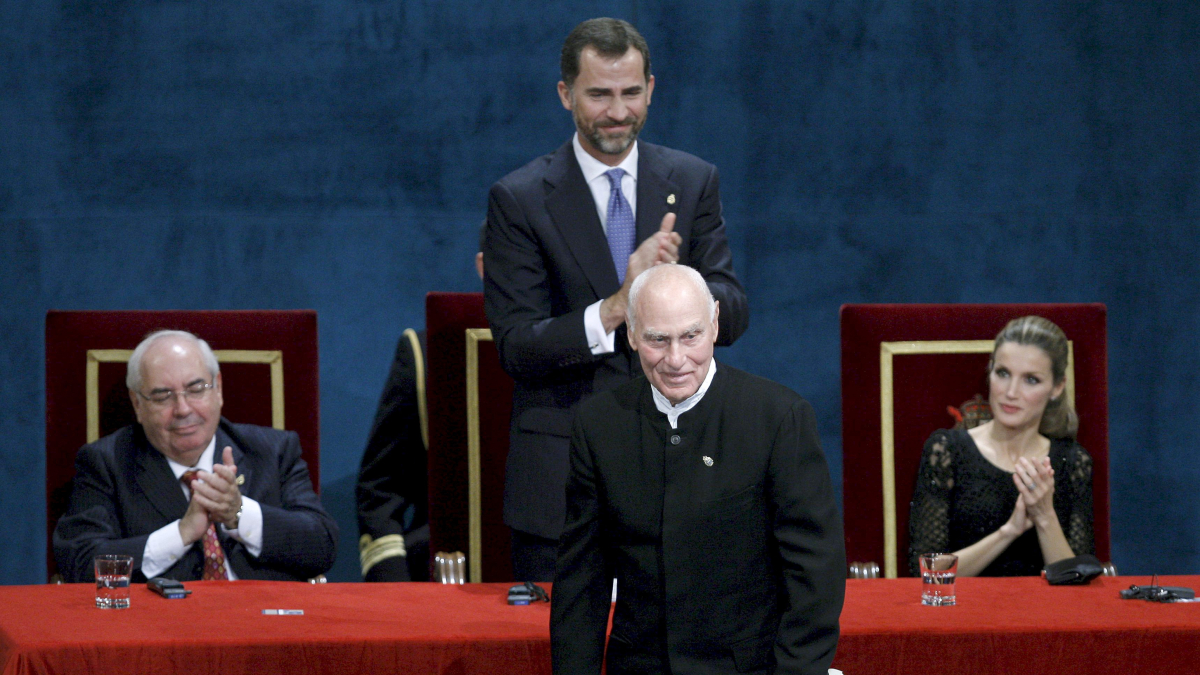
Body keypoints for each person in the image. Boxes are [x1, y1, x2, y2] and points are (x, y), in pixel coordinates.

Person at [483, 17, 749, 581]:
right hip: (563, 487)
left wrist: (678, 292)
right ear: (565, 94)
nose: (618, 111)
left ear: (651, 88)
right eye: (599, 94)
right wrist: (619, 304)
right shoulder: (520, 199)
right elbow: (517, 347)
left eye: (631, 93)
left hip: (683, 474)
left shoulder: (694, 180)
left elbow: (734, 308)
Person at [551, 264, 843, 674]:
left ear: (715, 324)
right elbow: (582, 582)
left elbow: (815, 576)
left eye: (691, 336)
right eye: (657, 340)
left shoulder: (778, 418)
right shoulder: (598, 425)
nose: (676, 359)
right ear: (632, 334)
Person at [53, 330, 338, 582]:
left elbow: (322, 545)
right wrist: (181, 534)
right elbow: (80, 562)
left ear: (219, 390)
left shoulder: (272, 451)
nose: (183, 409)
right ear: (137, 404)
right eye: (163, 396)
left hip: (265, 624)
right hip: (161, 629)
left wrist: (239, 513)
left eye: (196, 389)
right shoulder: (106, 463)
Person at [908, 316, 1095, 577]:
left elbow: (1079, 586)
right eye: (1003, 373)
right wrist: (1008, 532)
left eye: (1031, 379)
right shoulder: (947, 451)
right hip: (963, 613)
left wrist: (1044, 516)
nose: (1010, 392)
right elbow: (925, 574)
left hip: (1045, 615)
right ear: (990, 371)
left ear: (1057, 387)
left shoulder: (1072, 462)